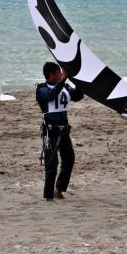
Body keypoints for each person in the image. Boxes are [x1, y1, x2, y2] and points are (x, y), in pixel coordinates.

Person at [36, 61, 84, 201]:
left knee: (69, 159)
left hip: (63, 131)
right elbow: (51, 95)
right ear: (51, 74)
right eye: (58, 72)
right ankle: (48, 196)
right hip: (50, 132)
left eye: (61, 73)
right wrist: (63, 80)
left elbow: (77, 96)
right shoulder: (42, 89)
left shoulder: (65, 87)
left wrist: (80, 82)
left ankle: (59, 188)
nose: (61, 74)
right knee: (52, 164)